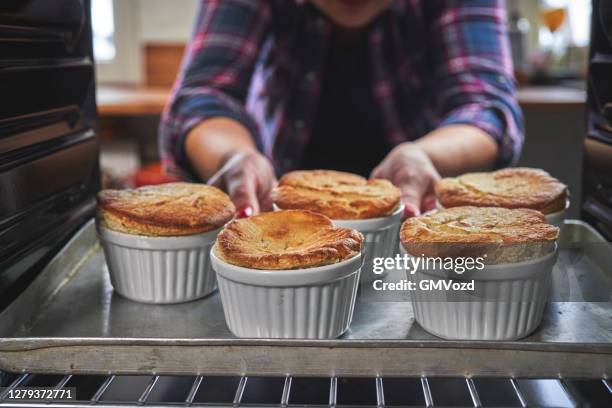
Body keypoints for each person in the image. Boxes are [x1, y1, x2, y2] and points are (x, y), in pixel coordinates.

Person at [160, 0, 523, 217]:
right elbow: (204, 96)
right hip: (280, 207)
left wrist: (422, 156)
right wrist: (235, 157)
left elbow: (485, 105)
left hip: (420, 215)